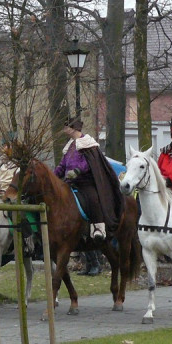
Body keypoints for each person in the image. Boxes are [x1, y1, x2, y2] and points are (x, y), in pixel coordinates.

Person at [53, 116, 123, 276]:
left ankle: (99, 227)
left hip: (86, 182)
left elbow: (88, 163)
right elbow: (63, 165)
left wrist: (77, 171)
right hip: (70, 182)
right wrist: (54, 176)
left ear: (73, 128)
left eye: (66, 127)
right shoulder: (70, 146)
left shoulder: (87, 143)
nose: (64, 130)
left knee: (92, 198)